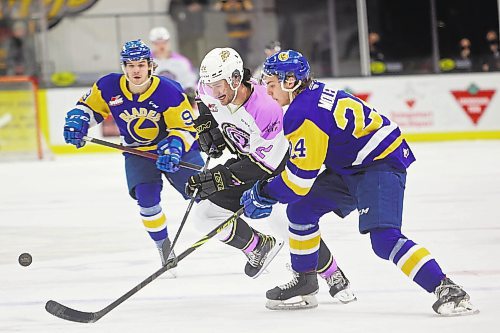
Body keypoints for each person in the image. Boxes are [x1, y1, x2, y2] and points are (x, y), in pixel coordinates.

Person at [240, 49, 478, 316]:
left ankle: (447, 288)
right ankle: (306, 281)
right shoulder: (311, 93)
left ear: (290, 82)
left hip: (380, 165)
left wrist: (264, 191)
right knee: (300, 210)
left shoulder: (301, 113)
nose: (268, 90)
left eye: (271, 84)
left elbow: (298, 181)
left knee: (384, 240)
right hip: (352, 167)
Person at [182, 47, 356, 305]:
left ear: (235, 79)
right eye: (210, 85)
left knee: (286, 223)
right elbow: (203, 101)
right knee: (205, 216)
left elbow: (263, 166)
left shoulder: (266, 108)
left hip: (276, 166)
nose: (214, 92)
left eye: (219, 85)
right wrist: (208, 128)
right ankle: (258, 247)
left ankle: (333, 274)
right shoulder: (208, 89)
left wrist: (216, 178)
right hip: (246, 161)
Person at [63, 40, 204, 267]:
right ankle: (163, 247)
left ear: (150, 65)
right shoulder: (109, 86)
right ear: (124, 67)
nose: (135, 70)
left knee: (207, 198)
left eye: (140, 64)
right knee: (146, 200)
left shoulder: (168, 90)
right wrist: (78, 121)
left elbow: (186, 128)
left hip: (177, 152)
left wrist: (175, 146)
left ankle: (252, 243)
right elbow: (88, 108)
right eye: (130, 65)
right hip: (137, 153)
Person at [148, 27, 198, 103]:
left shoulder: (182, 62)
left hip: (178, 101)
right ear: (152, 44)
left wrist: (189, 92)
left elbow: (189, 82)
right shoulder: (145, 62)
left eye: (164, 42)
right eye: (157, 43)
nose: (161, 46)